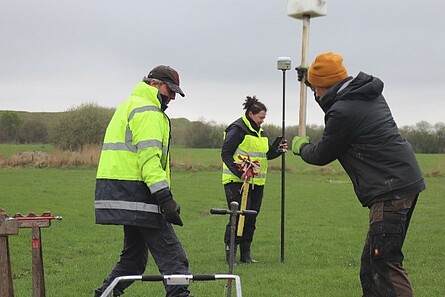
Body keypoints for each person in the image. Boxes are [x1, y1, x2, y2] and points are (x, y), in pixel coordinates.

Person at [292, 52, 425, 296]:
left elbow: (322, 154)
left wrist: (301, 147)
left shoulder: (344, 112)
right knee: (370, 266)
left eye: (316, 88)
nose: (315, 95)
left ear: (325, 85)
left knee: (384, 263)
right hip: (400, 181)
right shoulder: (364, 94)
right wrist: (310, 81)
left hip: (390, 189)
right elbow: (331, 97)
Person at [94, 65, 192, 297]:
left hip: (121, 192)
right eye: (170, 91)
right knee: (175, 262)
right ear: (154, 84)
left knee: (133, 262)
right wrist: (165, 199)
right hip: (140, 195)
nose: (172, 98)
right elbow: (149, 161)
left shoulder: (129, 105)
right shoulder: (148, 111)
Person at [221, 96, 288, 263]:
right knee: (237, 217)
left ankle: (246, 255)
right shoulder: (237, 129)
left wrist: (278, 150)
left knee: (251, 217)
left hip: (257, 183)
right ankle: (231, 255)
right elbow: (226, 154)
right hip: (237, 182)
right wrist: (240, 173)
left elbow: (266, 154)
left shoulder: (261, 133)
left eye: (264, 118)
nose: (263, 121)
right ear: (251, 114)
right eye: (261, 117)